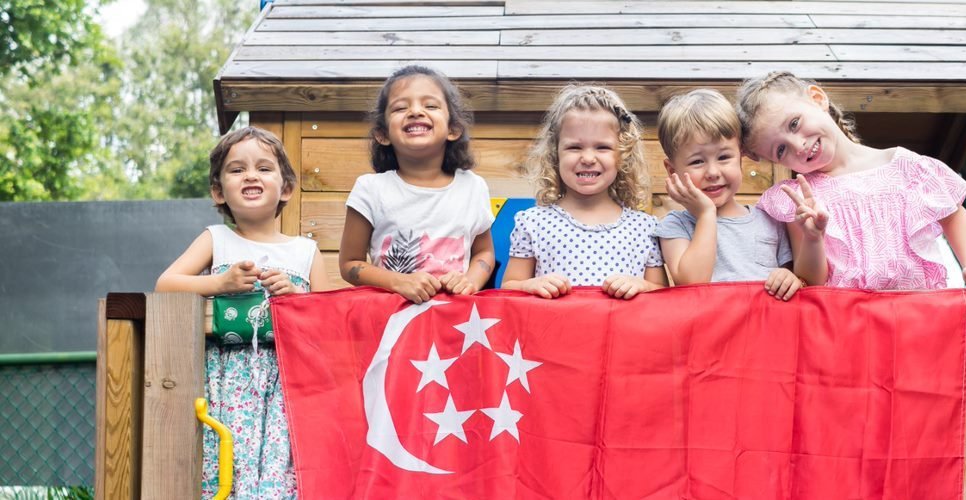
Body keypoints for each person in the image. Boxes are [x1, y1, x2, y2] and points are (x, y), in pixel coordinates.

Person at [156, 126, 328, 498]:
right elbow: (166, 283)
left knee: (281, 471)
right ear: (219, 191)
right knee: (224, 463)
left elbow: (327, 318)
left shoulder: (305, 251)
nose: (250, 175)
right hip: (225, 378)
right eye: (236, 169)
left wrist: (297, 295)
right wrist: (218, 284)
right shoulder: (216, 239)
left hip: (287, 383)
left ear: (285, 188)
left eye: (264, 168)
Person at [736, 71, 966, 297]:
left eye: (794, 123)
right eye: (781, 150)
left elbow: (954, 216)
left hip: (918, 318)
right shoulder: (800, 200)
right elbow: (813, 282)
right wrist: (813, 236)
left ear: (817, 98)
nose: (798, 145)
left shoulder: (906, 167)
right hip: (848, 330)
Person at [338, 65, 495, 303]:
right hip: (390, 326)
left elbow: (484, 252)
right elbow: (350, 264)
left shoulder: (474, 187)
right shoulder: (370, 189)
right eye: (400, 108)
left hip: (455, 325)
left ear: (453, 129)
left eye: (430, 105)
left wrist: (471, 281)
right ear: (383, 134)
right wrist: (398, 282)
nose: (415, 111)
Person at [501, 85, 666, 300]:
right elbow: (508, 287)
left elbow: (662, 294)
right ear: (555, 153)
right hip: (554, 332)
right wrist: (530, 285)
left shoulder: (645, 228)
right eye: (575, 147)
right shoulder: (533, 223)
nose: (588, 158)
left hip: (624, 333)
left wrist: (642, 285)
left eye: (602, 147)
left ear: (623, 155)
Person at [654, 89, 803, 301]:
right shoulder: (675, 225)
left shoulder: (769, 219)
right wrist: (706, 214)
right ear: (672, 170)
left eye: (724, 157)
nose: (713, 173)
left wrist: (788, 277)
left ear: (740, 157)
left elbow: (793, 277)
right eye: (697, 161)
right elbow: (692, 284)